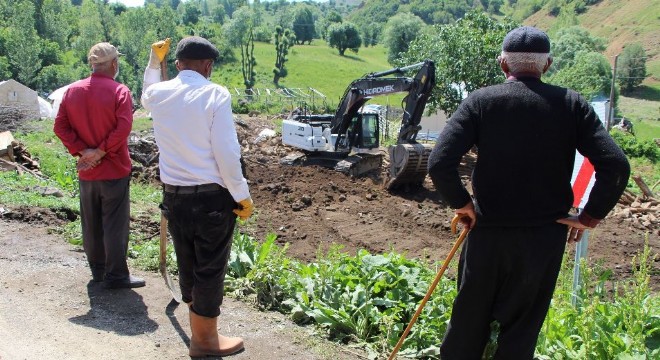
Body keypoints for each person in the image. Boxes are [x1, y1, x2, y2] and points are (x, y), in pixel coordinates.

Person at [427, 26, 630, 359]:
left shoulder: (481, 102)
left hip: (486, 232)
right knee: (521, 333)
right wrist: (589, 217)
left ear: (503, 65)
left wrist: (462, 204)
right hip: (544, 238)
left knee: (467, 323)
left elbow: (439, 162)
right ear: (547, 65)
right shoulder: (572, 105)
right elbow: (616, 166)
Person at [141, 36, 254, 357]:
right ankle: (205, 341)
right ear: (208, 66)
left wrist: (153, 61)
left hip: (174, 198)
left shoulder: (159, 94)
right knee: (210, 268)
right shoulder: (215, 94)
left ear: (177, 64)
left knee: (188, 262)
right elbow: (227, 152)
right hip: (211, 200)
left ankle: (200, 333)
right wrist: (241, 195)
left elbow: (147, 91)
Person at [54, 42, 144, 289]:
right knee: (115, 224)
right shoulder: (120, 92)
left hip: (87, 171)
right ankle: (116, 276)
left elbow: (59, 126)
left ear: (92, 64)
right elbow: (123, 128)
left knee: (91, 222)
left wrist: (84, 152)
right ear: (114, 64)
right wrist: (101, 151)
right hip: (114, 170)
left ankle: (98, 272)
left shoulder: (72, 91)